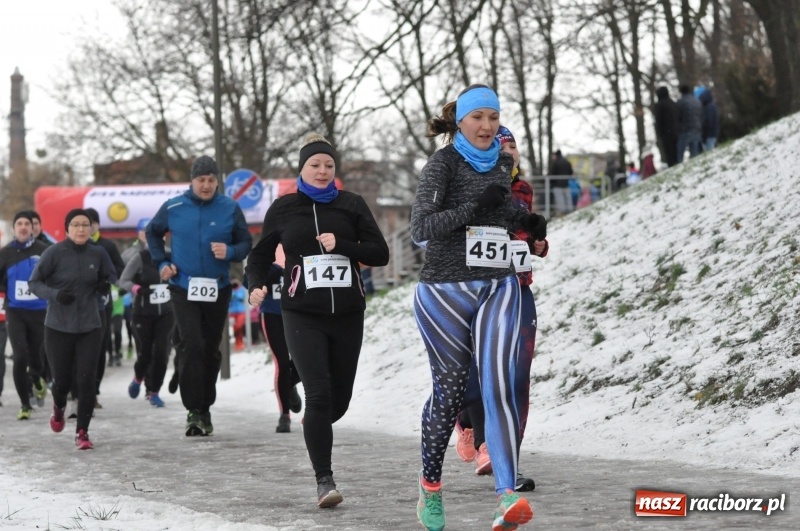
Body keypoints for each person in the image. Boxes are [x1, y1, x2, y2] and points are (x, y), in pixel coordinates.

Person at [410, 85, 538, 531]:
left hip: (498, 282)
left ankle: (506, 495)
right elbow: (421, 229)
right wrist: (471, 207)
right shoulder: (442, 164)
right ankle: (430, 486)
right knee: (448, 395)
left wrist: (528, 226)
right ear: (460, 121)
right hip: (444, 290)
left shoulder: (504, 161)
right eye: (478, 117)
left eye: (493, 118)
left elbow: (498, 215)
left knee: (498, 384)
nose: (487, 127)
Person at [246, 133, 389, 509]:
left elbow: (381, 253)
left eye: (328, 165)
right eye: (315, 165)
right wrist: (255, 285)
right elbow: (258, 257)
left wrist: (341, 245)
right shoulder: (284, 208)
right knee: (320, 396)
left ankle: (292, 376)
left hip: (346, 313)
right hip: (301, 312)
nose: (323, 171)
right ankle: (324, 480)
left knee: (336, 402)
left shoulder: (351, 204)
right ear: (302, 169)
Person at [453, 126, 547, 495]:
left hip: (518, 289)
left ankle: (508, 459)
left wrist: (537, 245)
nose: (509, 151)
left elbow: (528, 238)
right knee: (477, 371)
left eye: (513, 145)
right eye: (500, 145)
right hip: (477, 290)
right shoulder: (468, 185)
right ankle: (472, 427)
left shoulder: (522, 190)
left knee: (516, 376)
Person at [147, 155, 252, 436]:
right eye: (201, 180)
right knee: (192, 344)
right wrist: (161, 263)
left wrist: (230, 252)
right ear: (191, 181)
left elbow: (245, 242)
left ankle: (205, 405)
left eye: (211, 180)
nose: (206, 185)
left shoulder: (229, 207)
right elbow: (152, 233)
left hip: (217, 288)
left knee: (210, 349)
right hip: (183, 286)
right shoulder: (174, 206)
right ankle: (194, 411)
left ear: (217, 181)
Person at [29, 209, 111, 450]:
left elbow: (111, 277)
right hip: (58, 327)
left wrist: (104, 285)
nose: (81, 229)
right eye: (75, 225)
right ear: (67, 229)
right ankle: (58, 408)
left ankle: (82, 432)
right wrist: (55, 295)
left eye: (85, 225)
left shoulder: (98, 253)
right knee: (62, 382)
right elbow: (34, 283)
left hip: (90, 326)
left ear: (91, 228)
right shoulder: (53, 253)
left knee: (86, 381)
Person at [0, 211, 50, 420]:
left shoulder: (45, 251)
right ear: (14, 228)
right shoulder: (5, 253)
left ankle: (37, 377)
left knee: (37, 357)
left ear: (33, 228)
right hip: (15, 310)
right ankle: (24, 404)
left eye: (26, 224)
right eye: (18, 223)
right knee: (20, 356)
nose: (22, 227)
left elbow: (55, 276)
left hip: (40, 311)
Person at [119, 222, 174, 408]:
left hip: (166, 312)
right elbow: (123, 280)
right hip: (143, 313)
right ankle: (137, 378)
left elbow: (181, 277)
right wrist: (137, 289)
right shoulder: (140, 257)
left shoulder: (171, 255)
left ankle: (154, 391)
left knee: (161, 352)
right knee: (145, 352)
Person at [84, 207, 126, 402]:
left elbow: (120, 269)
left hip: (103, 302)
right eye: (80, 224)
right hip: (79, 305)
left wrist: (106, 278)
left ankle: (94, 388)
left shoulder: (107, 246)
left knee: (99, 345)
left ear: (97, 225)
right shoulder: (72, 246)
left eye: (88, 224)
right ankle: (80, 389)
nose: (85, 227)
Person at [257, 260, 303, 433]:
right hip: (272, 314)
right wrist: (265, 279)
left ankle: (289, 383)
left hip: (300, 313)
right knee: (282, 363)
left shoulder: (302, 243)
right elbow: (250, 279)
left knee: (304, 359)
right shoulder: (266, 249)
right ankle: (284, 415)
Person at [653, 86, 680, 167]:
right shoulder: (673, 103)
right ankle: (677, 164)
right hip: (676, 132)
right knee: (675, 152)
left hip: (666, 133)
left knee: (669, 154)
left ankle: (672, 166)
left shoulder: (659, 105)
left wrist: (659, 134)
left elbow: (658, 121)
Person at [676, 84, 703, 162]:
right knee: (694, 150)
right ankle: (695, 164)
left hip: (685, 129)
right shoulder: (697, 101)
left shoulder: (681, 102)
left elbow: (678, 117)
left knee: (680, 151)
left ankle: (679, 165)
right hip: (696, 127)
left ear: (681, 92)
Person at [548, 150, 573, 216]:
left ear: (556, 155)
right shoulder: (567, 162)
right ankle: (570, 212)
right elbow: (570, 173)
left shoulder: (556, 163)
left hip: (557, 185)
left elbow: (552, 174)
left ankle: (562, 213)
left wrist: (552, 183)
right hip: (566, 184)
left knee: (560, 200)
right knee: (568, 199)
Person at [696, 86, 720, 152]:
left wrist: (704, 136)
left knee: (710, 153)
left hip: (709, 136)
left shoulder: (708, 107)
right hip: (711, 134)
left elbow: (708, 122)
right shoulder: (709, 105)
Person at [229, 278, 248, 351]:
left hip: (241, 311)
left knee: (239, 326)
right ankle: (238, 343)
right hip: (232, 312)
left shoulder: (242, 289)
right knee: (235, 328)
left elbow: (242, 297)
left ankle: (240, 342)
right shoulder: (230, 290)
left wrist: (235, 295)